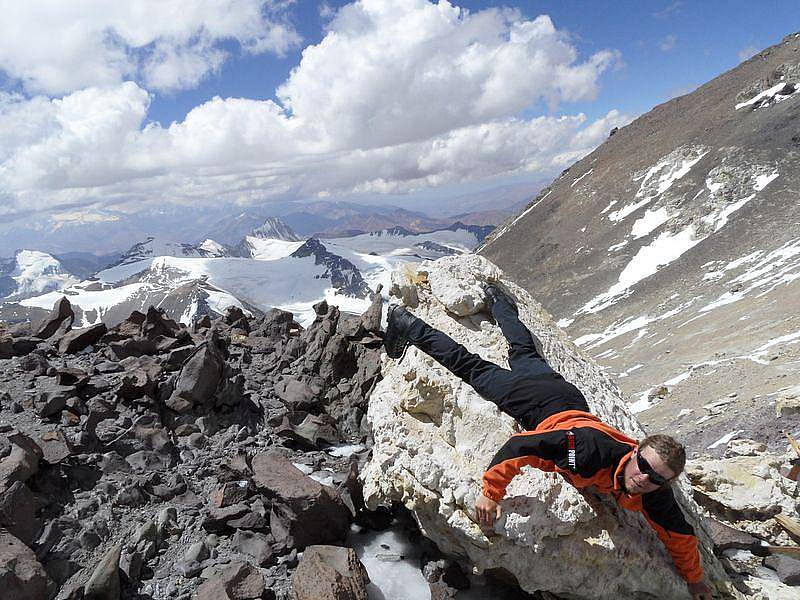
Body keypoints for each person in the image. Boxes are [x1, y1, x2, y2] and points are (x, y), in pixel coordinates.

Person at [383, 284, 713, 600]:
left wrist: (696, 580)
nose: (645, 478)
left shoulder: (654, 493)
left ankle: (498, 301)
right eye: (644, 466)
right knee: (468, 366)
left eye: (657, 478)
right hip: (534, 402)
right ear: (636, 451)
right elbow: (521, 446)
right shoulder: (588, 451)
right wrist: (490, 493)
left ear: (666, 483)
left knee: (524, 352)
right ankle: (406, 323)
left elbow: (681, 538)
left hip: (568, 397)